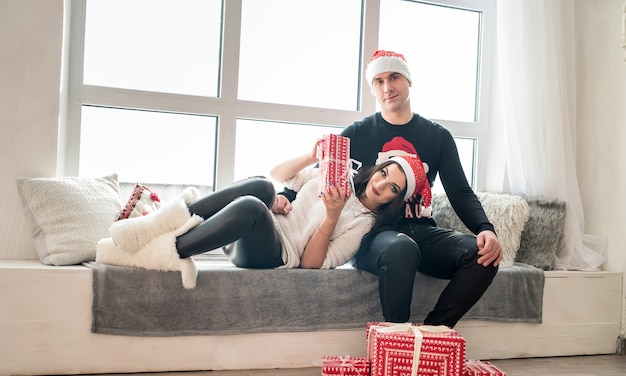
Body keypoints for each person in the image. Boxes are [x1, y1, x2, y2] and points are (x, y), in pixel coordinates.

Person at [272, 50, 503, 328]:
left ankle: (431, 335)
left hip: (420, 230)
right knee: (400, 248)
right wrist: (283, 198)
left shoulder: (438, 136)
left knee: (484, 256)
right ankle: (395, 337)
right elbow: (320, 179)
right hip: (370, 232)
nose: (387, 87)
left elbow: (461, 192)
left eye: (393, 77)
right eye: (378, 81)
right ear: (373, 89)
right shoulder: (357, 133)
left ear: (408, 81)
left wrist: (485, 228)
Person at [104, 138, 430, 276]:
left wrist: (331, 217)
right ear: (377, 169)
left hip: (274, 253)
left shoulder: (364, 224)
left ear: (394, 200)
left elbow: (312, 264)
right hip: (248, 231)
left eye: (393, 188)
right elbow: (279, 175)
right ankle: (161, 223)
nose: (382, 184)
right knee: (262, 186)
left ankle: (167, 249)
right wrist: (310, 157)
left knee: (252, 206)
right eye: (385, 174)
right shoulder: (337, 176)